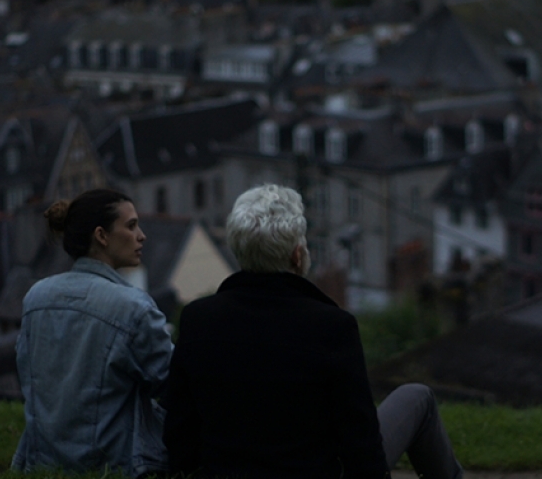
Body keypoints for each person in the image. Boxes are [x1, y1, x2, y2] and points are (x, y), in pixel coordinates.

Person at [163, 184, 463, 479]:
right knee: (417, 397)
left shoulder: (197, 319)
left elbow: (180, 433)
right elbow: (361, 442)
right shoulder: (332, 327)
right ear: (297, 254)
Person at [12, 188, 173, 478]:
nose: (142, 236)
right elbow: (174, 383)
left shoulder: (36, 297)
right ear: (101, 235)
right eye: (131, 225)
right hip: (113, 466)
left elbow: (27, 374)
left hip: (42, 466)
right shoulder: (133, 307)